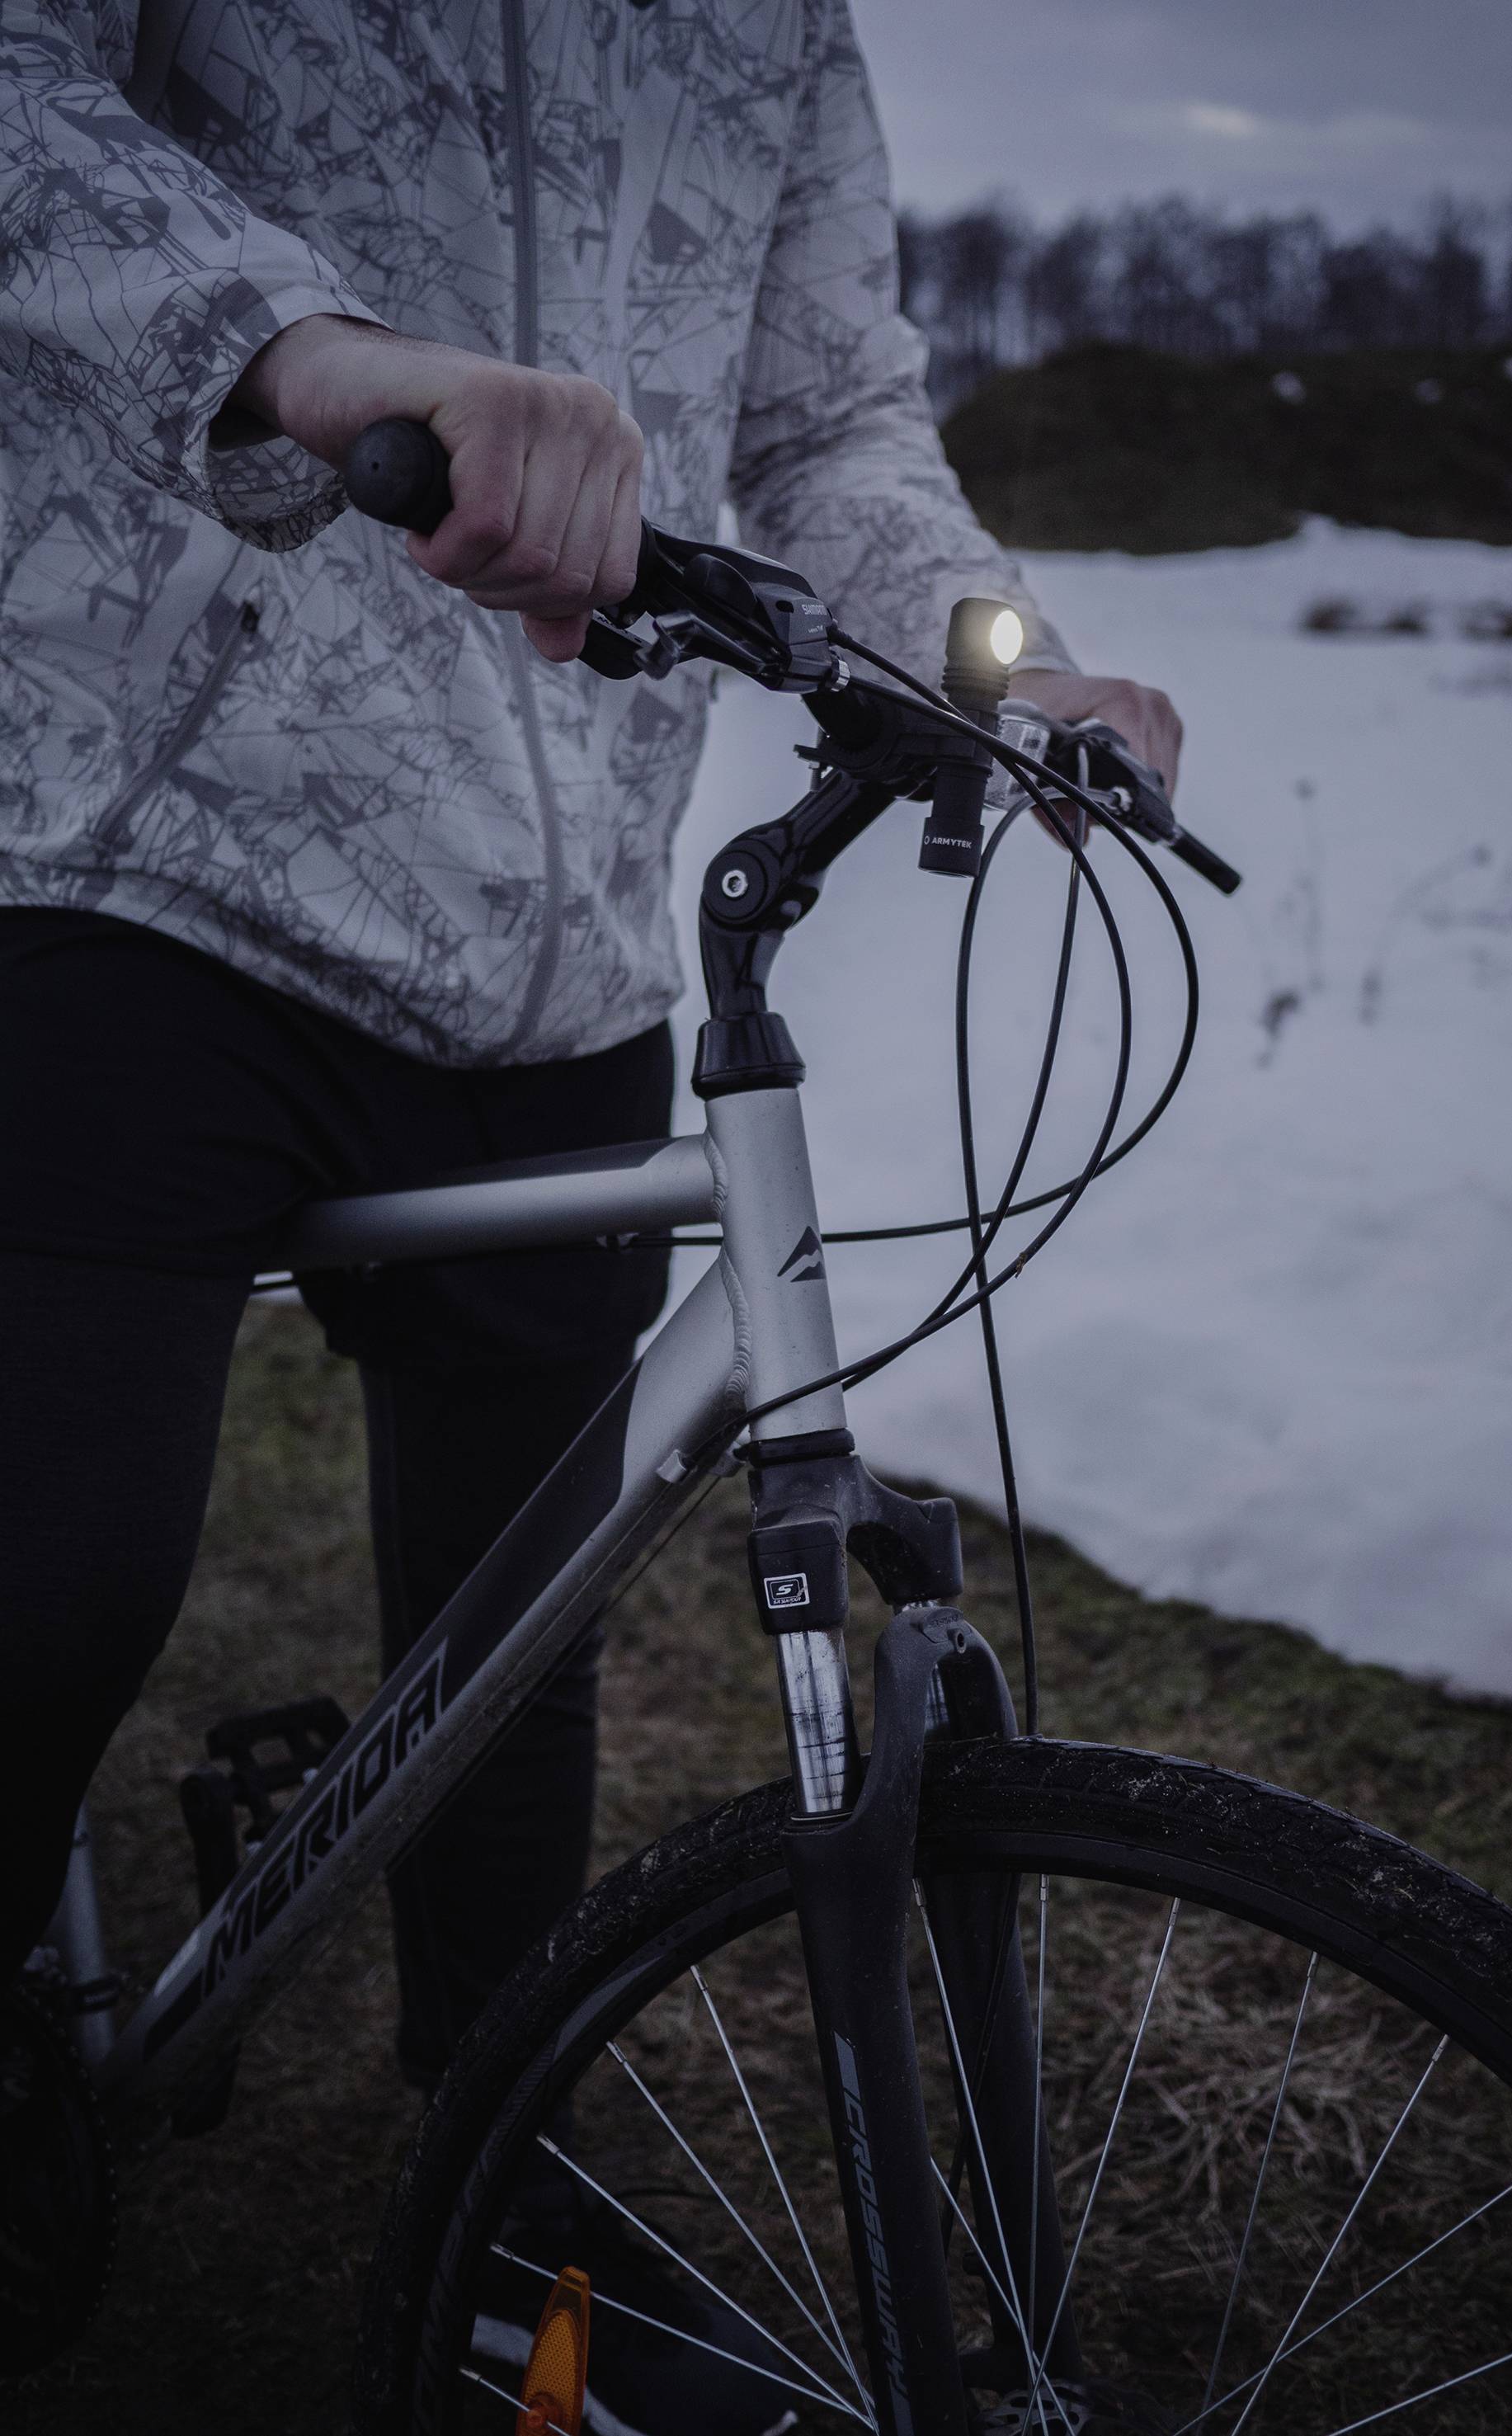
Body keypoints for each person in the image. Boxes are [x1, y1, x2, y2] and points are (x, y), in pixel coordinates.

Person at [0, 0, 1180, 2415]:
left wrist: (1013, 654)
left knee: (518, 1643)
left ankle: (504, 2168)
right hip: (129, 859)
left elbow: (827, 408)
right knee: (53, 1572)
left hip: (549, 939)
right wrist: (312, 357)